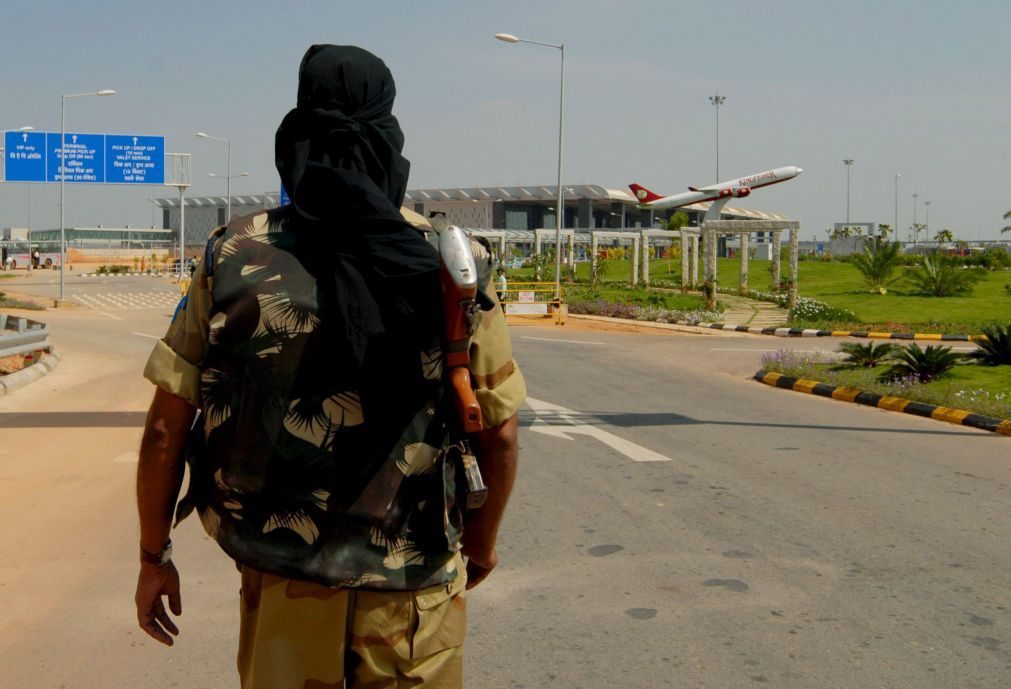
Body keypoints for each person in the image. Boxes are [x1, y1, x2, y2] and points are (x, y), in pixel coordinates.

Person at [134, 44, 525, 689]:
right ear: (389, 141)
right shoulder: (455, 263)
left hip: (280, 571)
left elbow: (163, 429)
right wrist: (479, 545)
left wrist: (154, 556)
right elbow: (500, 432)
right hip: (412, 584)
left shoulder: (233, 253)